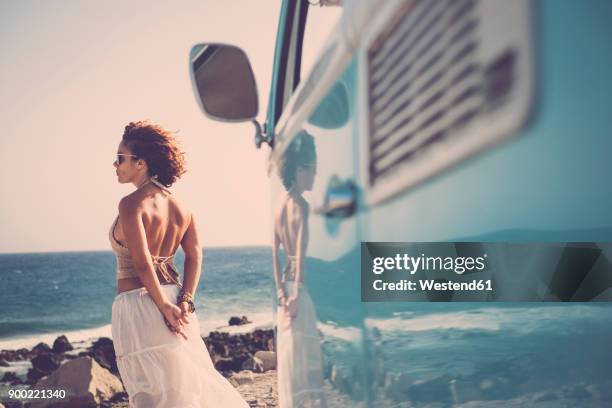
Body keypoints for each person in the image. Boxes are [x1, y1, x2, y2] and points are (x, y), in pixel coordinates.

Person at [109, 121, 248, 407]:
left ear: (140, 163)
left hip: (141, 307)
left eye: (121, 158)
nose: (115, 164)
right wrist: (184, 301)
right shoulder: (182, 207)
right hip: (177, 304)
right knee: (185, 387)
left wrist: (164, 308)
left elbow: (143, 263)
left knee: (150, 392)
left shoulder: (131, 203)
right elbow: (195, 256)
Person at [273, 131, 327, 408]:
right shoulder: (303, 206)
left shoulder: (278, 207)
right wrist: (296, 297)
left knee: (290, 359)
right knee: (307, 359)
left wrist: (283, 294)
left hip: (285, 290)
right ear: (300, 169)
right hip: (300, 290)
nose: (315, 177)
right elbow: (302, 255)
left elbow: (275, 256)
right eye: (313, 170)